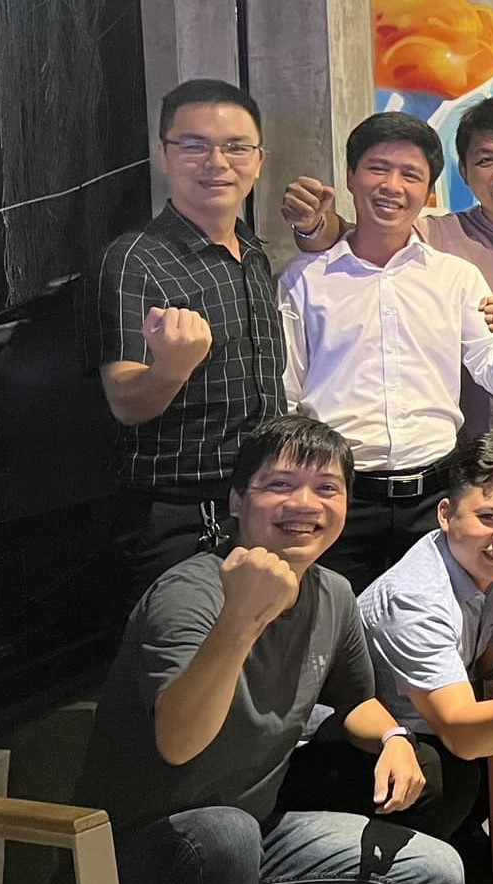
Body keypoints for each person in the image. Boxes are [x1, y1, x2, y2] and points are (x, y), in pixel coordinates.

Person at [76, 415, 461, 884]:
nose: (304, 503)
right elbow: (178, 743)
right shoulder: (190, 593)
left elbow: (355, 700)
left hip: (252, 841)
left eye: (327, 488)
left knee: (434, 877)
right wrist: (241, 617)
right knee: (225, 833)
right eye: (280, 484)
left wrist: (395, 739)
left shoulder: (332, 593)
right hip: (136, 863)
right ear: (236, 501)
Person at [283, 97, 493, 642]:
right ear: (350, 177)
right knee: (330, 638)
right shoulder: (311, 277)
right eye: (377, 169)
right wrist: (314, 227)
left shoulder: (462, 271)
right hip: (345, 494)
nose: (392, 186)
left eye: (410, 175)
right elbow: (286, 396)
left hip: (448, 494)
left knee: (451, 635)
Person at [277, 430, 493, 852]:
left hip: (427, 725)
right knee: (449, 774)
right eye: (489, 517)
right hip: (340, 745)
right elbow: (462, 734)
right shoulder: (415, 597)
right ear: (446, 514)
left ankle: (481, 860)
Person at [94, 79, 286, 600]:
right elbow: (126, 403)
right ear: (163, 155)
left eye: (236, 147)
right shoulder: (134, 259)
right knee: (184, 645)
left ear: (259, 160)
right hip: (179, 515)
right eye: (194, 145)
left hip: (258, 504)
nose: (216, 162)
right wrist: (171, 367)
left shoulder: (252, 252)